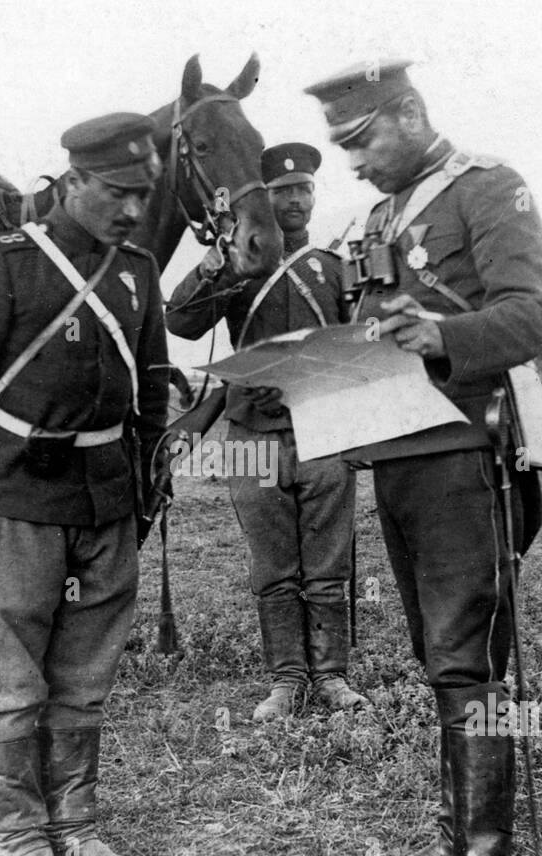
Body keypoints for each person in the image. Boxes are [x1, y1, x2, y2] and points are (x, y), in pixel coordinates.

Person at [303, 59, 542, 856]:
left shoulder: (488, 188)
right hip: (402, 456)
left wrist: (443, 330)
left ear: (408, 113)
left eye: (362, 138)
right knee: (438, 656)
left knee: (467, 659)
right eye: (343, 145)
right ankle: (456, 838)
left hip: (469, 456)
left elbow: (530, 318)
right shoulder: (376, 216)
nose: (355, 160)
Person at [0, 112, 169, 856]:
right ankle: (25, 844)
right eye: (118, 193)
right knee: (14, 674)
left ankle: (79, 830)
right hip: (17, 495)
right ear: (74, 180)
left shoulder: (138, 269)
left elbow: (151, 392)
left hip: (106, 498)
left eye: (143, 195)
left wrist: (145, 490)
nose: (132, 210)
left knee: (85, 674)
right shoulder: (1, 264)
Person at [165, 142, 365, 721]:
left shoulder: (334, 268)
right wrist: (214, 263)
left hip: (322, 433)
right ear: (264, 200)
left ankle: (330, 677)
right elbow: (180, 319)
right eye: (282, 192)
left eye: (303, 189)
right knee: (273, 564)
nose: (294, 200)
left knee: (328, 562)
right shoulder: (239, 264)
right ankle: (286, 680)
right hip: (252, 434)